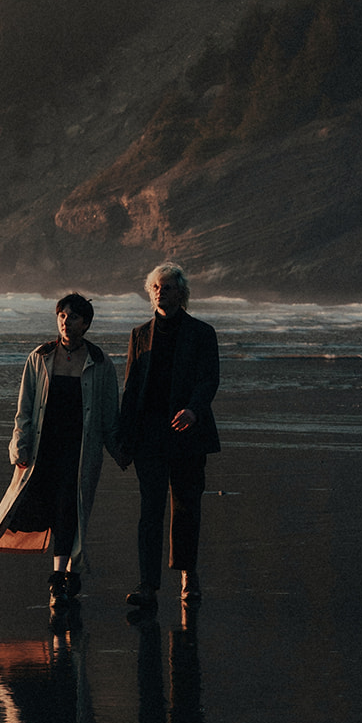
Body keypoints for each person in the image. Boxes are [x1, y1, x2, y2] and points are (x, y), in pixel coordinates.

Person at [0, 292, 121, 610]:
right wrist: (19, 446)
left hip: (82, 450)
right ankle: (65, 577)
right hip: (46, 449)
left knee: (70, 509)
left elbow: (110, 414)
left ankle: (61, 577)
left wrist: (121, 451)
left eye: (73, 317)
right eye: (61, 315)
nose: (65, 321)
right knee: (46, 507)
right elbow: (25, 409)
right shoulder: (40, 357)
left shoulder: (99, 363)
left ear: (86, 323)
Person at [117, 262, 220, 612]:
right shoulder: (139, 334)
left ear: (182, 293)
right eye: (156, 287)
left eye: (168, 287)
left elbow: (209, 380)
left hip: (188, 433)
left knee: (187, 507)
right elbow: (131, 388)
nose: (161, 292)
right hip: (149, 435)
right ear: (151, 293)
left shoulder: (202, 333)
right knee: (150, 510)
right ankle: (147, 584)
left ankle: (188, 577)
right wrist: (123, 437)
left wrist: (194, 409)